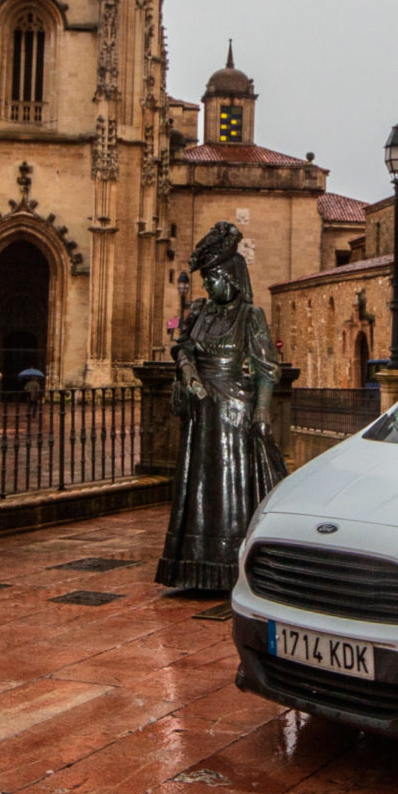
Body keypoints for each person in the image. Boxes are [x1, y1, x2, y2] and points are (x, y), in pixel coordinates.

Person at [156, 222, 284, 592]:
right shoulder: (199, 312)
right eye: (205, 279)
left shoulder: (251, 316)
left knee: (232, 488)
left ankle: (231, 562)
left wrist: (261, 413)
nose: (207, 286)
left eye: (212, 279)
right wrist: (188, 373)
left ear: (230, 277)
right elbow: (181, 347)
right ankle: (196, 566)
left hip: (234, 413)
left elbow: (266, 369)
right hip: (202, 415)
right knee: (200, 489)